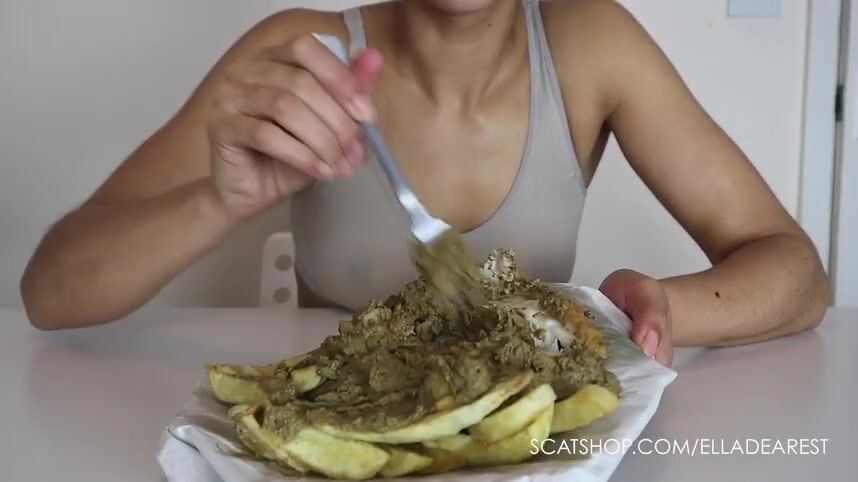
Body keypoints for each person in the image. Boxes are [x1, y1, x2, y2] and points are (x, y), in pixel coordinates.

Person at [20, 0, 830, 366]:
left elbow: (797, 274)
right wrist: (217, 202)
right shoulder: (305, 55)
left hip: (528, 451)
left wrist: (665, 309)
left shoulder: (594, 43)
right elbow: (51, 292)